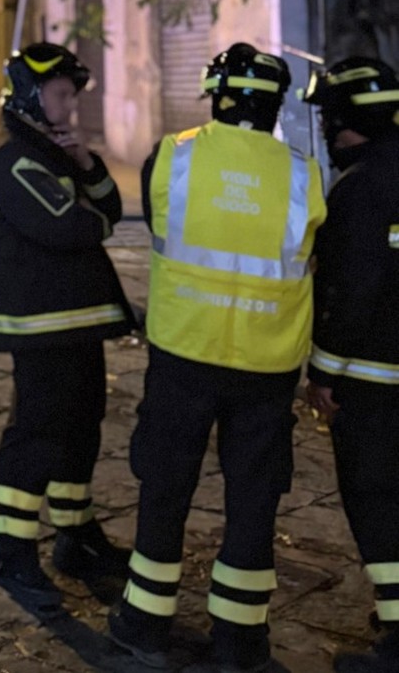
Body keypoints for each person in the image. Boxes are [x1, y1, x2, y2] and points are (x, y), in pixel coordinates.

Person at [110, 44, 325, 672]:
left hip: (184, 352)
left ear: (215, 95)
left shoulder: (171, 156)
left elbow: (157, 220)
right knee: (255, 498)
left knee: (165, 485)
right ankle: (241, 639)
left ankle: (145, 623)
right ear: (275, 105)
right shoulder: (304, 174)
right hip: (267, 363)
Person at [0, 43, 135, 618]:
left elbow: (109, 211)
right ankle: (14, 553)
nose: (70, 106)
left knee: (80, 430)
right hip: (41, 325)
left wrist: (86, 162)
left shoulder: (49, 150)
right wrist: (90, 212)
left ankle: (76, 536)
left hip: (76, 321)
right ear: (31, 94)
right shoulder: (11, 158)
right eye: (62, 94)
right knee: (36, 437)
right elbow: (72, 228)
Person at [302, 58, 399, 673]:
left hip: (374, 381)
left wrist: (323, 373)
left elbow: (350, 292)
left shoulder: (359, 189)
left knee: (376, 501)